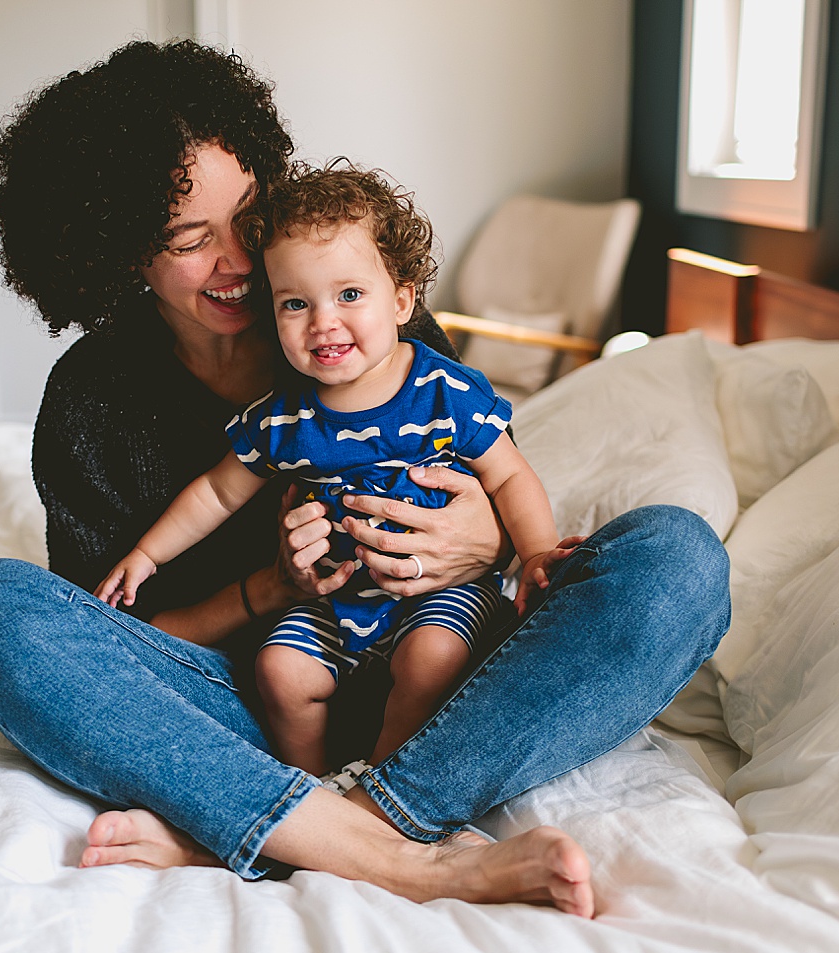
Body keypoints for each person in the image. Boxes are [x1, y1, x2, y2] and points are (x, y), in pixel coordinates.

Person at [0, 38, 731, 918]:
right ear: (122, 255)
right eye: (191, 240)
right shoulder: (92, 401)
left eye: (251, 214)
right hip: (254, 707)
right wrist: (270, 588)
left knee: (678, 560)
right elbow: (124, 640)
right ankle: (404, 853)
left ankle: (297, 832)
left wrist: (488, 543)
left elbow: (488, 476)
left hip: (446, 679)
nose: (242, 260)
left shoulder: (367, 311)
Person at [96, 164, 583, 778]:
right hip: (335, 600)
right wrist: (147, 555)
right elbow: (217, 492)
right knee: (279, 669)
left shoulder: (442, 389)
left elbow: (509, 476)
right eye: (295, 303)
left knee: (431, 658)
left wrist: (534, 553)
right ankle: (313, 785)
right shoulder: (283, 416)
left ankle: (379, 789)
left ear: (402, 300)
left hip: (438, 594)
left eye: (350, 295)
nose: (323, 321)